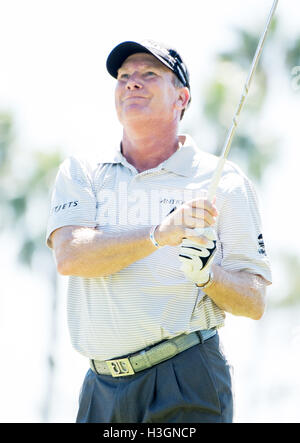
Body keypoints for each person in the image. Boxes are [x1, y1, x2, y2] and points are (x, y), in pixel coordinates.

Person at [46, 40, 272, 423]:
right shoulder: (83, 171)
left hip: (184, 376)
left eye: (149, 74)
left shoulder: (225, 180)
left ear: (181, 98)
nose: (132, 83)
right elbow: (70, 255)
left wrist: (207, 275)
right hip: (100, 387)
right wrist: (158, 234)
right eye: (124, 77)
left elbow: (253, 301)